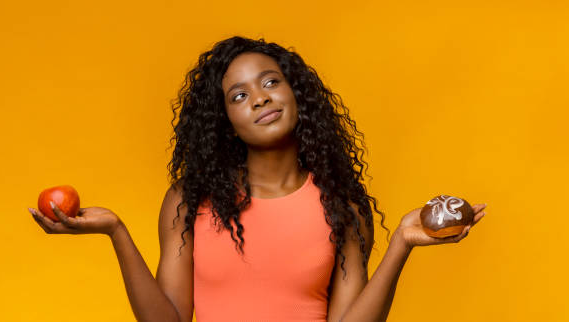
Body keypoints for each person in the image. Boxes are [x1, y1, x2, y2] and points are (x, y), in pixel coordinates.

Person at [29, 36, 487, 322]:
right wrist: (116, 232)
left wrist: (401, 245)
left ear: (296, 93)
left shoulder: (342, 207)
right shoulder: (190, 201)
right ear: (225, 119)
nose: (259, 100)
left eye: (271, 83)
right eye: (239, 95)